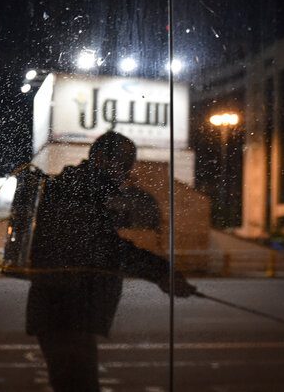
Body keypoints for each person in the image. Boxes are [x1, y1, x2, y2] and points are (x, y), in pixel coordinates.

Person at [26, 131, 196, 392]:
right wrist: (162, 272)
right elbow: (106, 248)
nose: (127, 174)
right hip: (65, 313)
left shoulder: (82, 188)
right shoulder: (76, 189)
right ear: (101, 158)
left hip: (68, 313)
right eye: (124, 164)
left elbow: (102, 246)